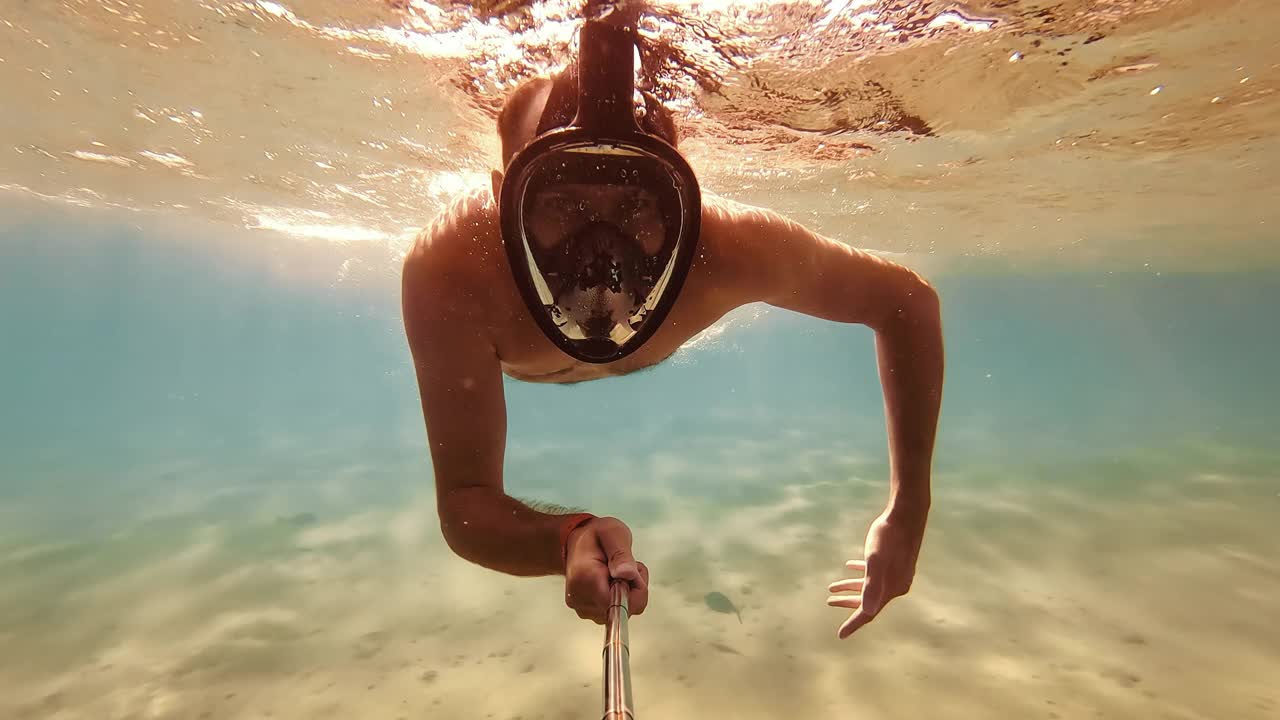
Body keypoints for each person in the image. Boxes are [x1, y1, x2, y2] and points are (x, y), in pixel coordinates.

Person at [401, 7, 944, 640]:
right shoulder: (453, 273)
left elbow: (907, 303)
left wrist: (908, 511)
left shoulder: (726, 251)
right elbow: (465, 502)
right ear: (502, 199)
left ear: (683, 204)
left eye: (635, 203)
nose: (601, 251)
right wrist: (565, 538)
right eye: (561, 202)